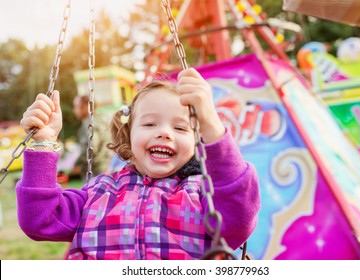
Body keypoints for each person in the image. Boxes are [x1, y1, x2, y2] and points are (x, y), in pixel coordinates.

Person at [16, 68, 260, 260]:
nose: (164, 133)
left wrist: (213, 128)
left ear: (197, 140)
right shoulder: (98, 192)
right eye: (150, 124)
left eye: (180, 127)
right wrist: (44, 143)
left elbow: (239, 219)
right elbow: (40, 219)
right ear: (129, 133)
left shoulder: (201, 195)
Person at [70, 95, 112, 180]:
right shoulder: (103, 120)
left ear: (86, 107)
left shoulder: (89, 124)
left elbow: (91, 147)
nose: (74, 110)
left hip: (95, 170)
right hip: (106, 166)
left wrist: (77, 163)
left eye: (76, 107)